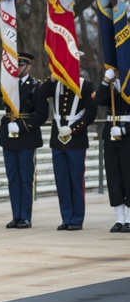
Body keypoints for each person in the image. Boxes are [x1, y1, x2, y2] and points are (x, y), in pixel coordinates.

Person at [0, 52, 47, 229]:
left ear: (29, 67)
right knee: (13, 178)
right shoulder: (7, 83)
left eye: (21, 65)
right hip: (9, 137)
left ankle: (25, 216)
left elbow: (42, 115)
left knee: (25, 178)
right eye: (15, 65)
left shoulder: (36, 87)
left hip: (26, 136)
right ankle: (16, 216)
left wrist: (22, 126)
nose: (17, 68)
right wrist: (5, 76)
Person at [37, 74, 97, 231]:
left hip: (75, 140)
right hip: (58, 139)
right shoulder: (55, 83)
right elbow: (40, 95)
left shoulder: (85, 85)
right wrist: (50, 79)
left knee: (76, 181)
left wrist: (73, 128)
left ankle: (77, 219)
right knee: (61, 181)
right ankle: (66, 217)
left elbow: (91, 112)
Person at [96, 70, 130, 232]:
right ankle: (119, 218)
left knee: (128, 176)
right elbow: (100, 100)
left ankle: (129, 217)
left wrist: (124, 131)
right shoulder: (110, 85)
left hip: (127, 134)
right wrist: (105, 80)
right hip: (111, 133)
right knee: (113, 177)